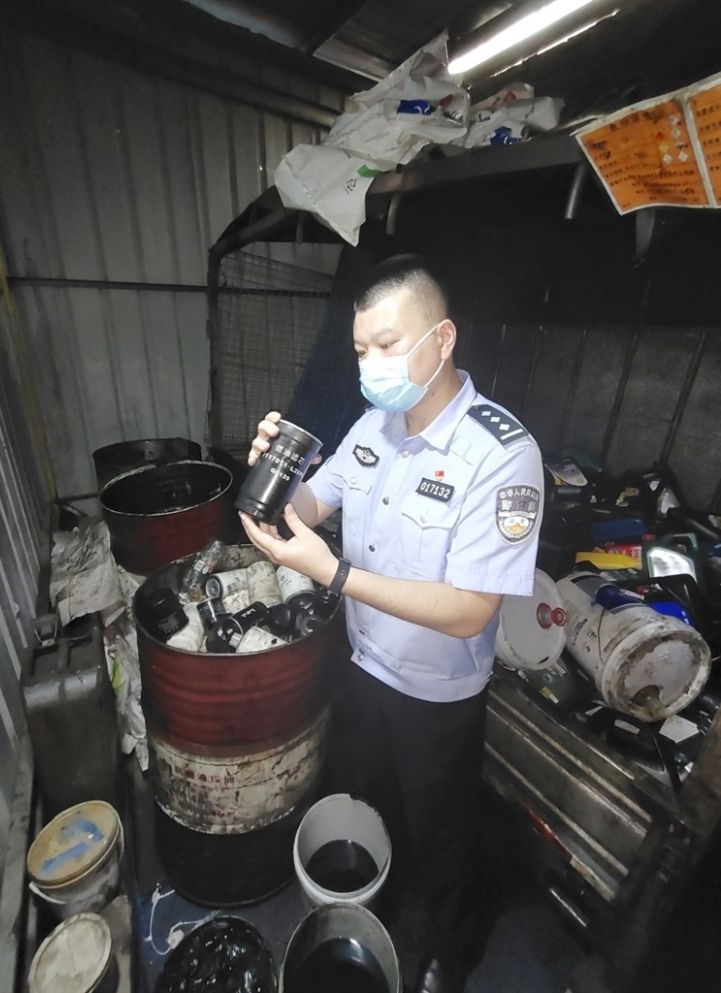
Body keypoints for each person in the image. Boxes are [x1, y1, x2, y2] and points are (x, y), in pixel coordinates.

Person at [240, 254, 543, 993]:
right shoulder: (372, 426)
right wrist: (272, 478)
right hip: (362, 666)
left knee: (441, 833)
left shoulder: (502, 456)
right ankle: (377, 903)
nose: (370, 364)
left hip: (437, 694)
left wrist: (334, 574)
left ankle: (448, 949)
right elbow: (311, 504)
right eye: (360, 350)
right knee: (368, 797)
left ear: (442, 339)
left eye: (387, 343)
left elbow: (470, 609)